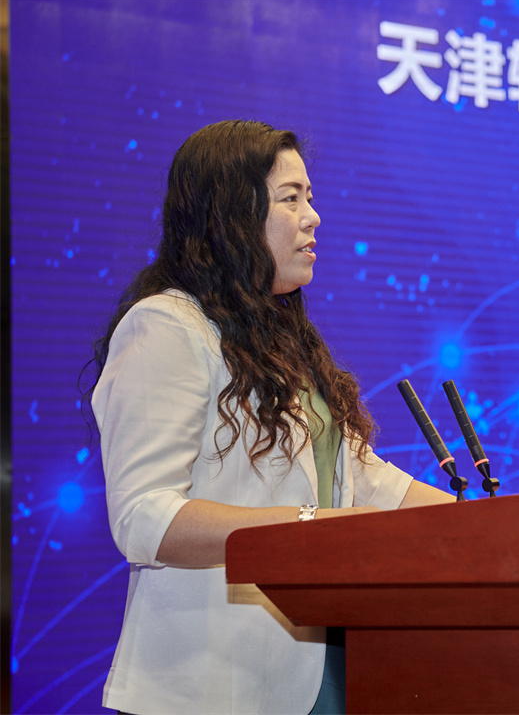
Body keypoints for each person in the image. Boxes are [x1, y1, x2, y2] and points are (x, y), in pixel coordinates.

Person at [88, 120, 455, 714]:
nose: (313, 217)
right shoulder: (166, 326)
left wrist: (488, 526)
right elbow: (144, 518)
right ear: (233, 212)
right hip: (212, 686)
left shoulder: (280, 340)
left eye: (310, 197)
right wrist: (307, 527)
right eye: (291, 199)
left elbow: (364, 483)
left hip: (324, 666)